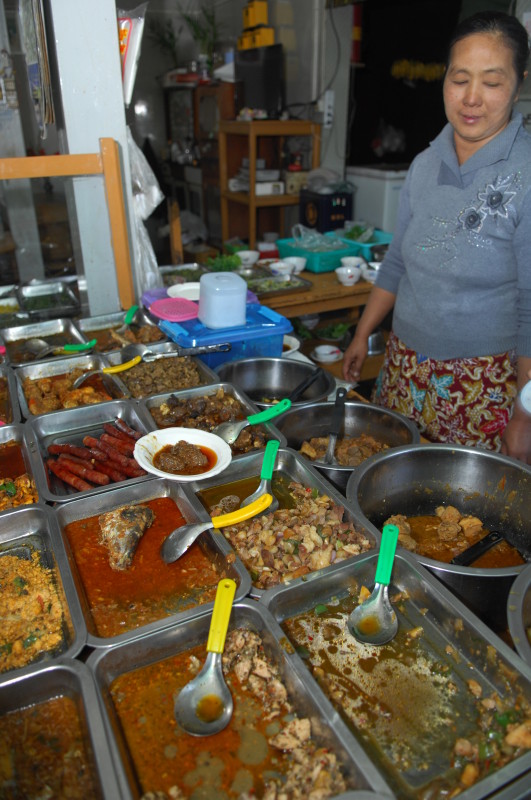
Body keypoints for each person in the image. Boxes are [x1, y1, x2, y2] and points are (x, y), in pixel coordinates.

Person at [343, 10, 531, 464]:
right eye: (459, 78)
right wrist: (362, 334)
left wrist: (525, 415)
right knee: (390, 490)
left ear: (518, 85)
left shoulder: (525, 173)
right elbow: (397, 262)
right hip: (403, 367)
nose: (471, 98)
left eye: (491, 82)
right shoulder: (424, 164)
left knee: (459, 503)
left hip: (482, 384)